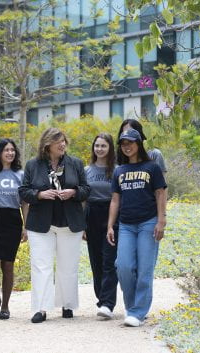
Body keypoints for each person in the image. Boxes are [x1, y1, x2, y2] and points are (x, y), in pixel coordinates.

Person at [18, 127, 90, 323]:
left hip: (70, 222)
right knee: (41, 266)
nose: (63, 145)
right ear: (48, 144)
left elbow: (86, 189)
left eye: (64, 141)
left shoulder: (75, 163)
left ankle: (67, 305)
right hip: (41, 224)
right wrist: (39, 195)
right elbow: (23, 191)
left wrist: (73, 192)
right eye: (59, 142)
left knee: (68, 266)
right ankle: (41, 308)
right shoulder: (33, 165)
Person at [107, 128, 167, 327]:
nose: (127, 147)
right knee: (123, 266)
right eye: (123, 144)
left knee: (144, 269)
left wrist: (161, 221)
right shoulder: (119, 171)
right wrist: (110, 226)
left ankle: (138, 312)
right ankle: (132, 306)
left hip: (148, 223)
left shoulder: (152, 167)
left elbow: (160, 194)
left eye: (130, 143)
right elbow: (115, 200)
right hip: (126, 225)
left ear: (139, 144)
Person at [0, 138, 28, 320]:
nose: (10, 153)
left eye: (12, 150)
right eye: (6, 150)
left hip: (12, 220)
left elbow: (25, 202)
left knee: (8, 264)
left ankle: (5, 305)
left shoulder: (21, 174)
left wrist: (26, 226)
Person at [83, 133, 118, 319]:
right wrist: (82, 224)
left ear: (110, 148)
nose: (100, 149)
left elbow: (118, 198)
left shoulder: (117, 170)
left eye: (103, 146)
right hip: (92, 214)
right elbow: (82, 199)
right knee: (95, 260)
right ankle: (101, 299)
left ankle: (108, 303)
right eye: (97, 145)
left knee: (109, 260)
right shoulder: (86, 170)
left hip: (111, 214)